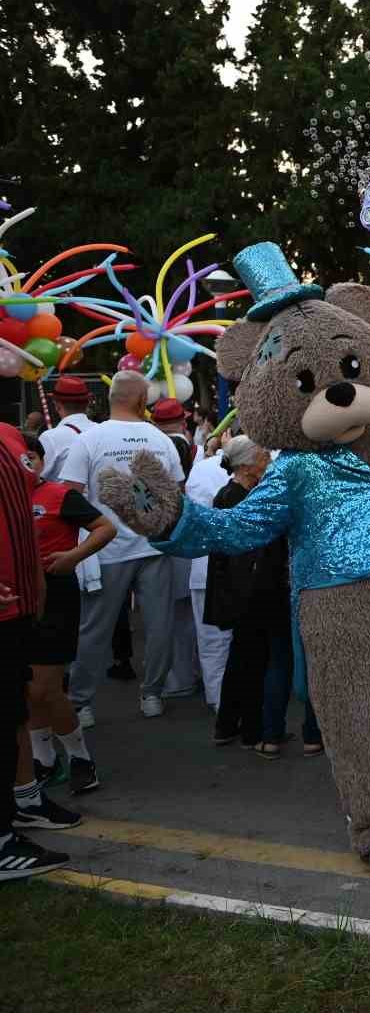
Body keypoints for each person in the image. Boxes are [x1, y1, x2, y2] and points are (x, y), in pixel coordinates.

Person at [59, 370, 185, 723]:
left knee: (94, 628)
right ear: (144, 401)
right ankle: (152, 695)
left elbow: (69, 494)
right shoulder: (159, 438)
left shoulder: (90, 439)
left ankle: (81, 703)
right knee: (159, 624)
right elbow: (177, 493)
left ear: (110, 398)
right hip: (154, 544)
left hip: (106, 549)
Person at [206, 436, 317, 758]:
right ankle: (260, 731)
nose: (269, 459)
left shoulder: (227, 494)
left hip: (243, 589)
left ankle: (229, 725)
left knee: (243, 658)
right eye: (263, 455)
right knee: (268, 660)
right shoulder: (248, 498)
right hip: (262, 588)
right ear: (246, 463)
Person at [20, 436, 113, 796]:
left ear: (40, 461)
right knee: (26, 689)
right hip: (17, 599)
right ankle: (44, 760)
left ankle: (80, 758)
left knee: (45, 686)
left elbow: (106, 527)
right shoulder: (7, 497)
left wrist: (72, 556)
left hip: (55, 595)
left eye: (28, 457)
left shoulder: (60, 495)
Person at [1, 422, 72, 881]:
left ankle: (22, 804)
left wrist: (37, 581)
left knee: (12, 714)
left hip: (18, 611)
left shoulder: (9, 437)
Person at [150, 397, 201, 701]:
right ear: (183, 420)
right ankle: (188, 673)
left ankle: (177, 678)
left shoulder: (159, 448)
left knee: (168, 613)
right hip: (188, 530)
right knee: (186, 613)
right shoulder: (187, 446)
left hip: (165, 534)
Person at [183, 444, 233, 711]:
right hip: (240, 565)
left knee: (212, 639)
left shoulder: (200, 470)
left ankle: (218, 700)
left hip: (205, 565)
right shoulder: (262, 465)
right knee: (245, 639)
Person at [38, 375, 96, 482]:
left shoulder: (50, 437)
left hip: (65, 497)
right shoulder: (103, 432)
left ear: (57, 405)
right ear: (87, 403)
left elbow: (36, 477)